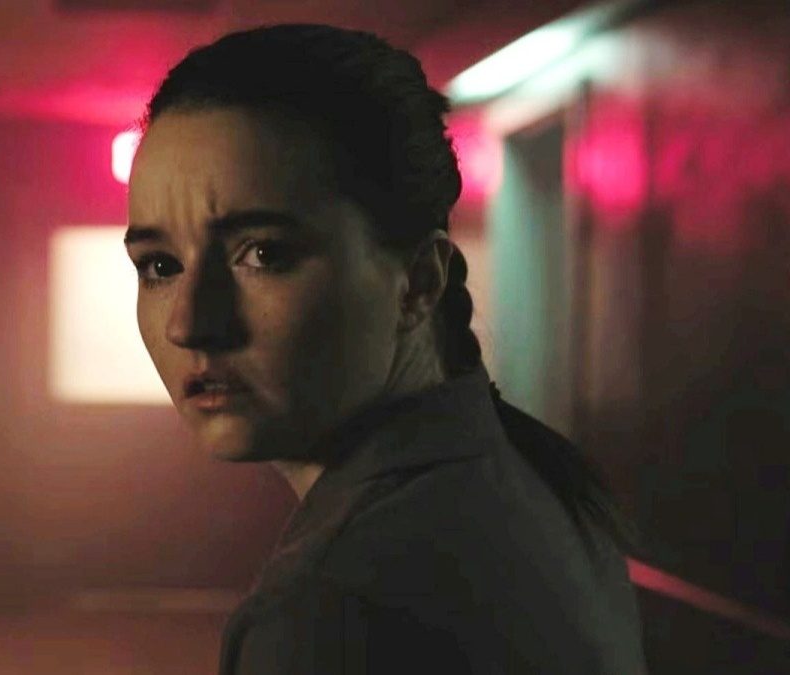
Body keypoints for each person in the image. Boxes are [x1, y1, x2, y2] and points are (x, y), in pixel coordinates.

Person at [123, 23, 648, 675]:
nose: (188, 324)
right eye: (160, 265)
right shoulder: (535, 481)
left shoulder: (330, 606)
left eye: (264, 253)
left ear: (418, 281)